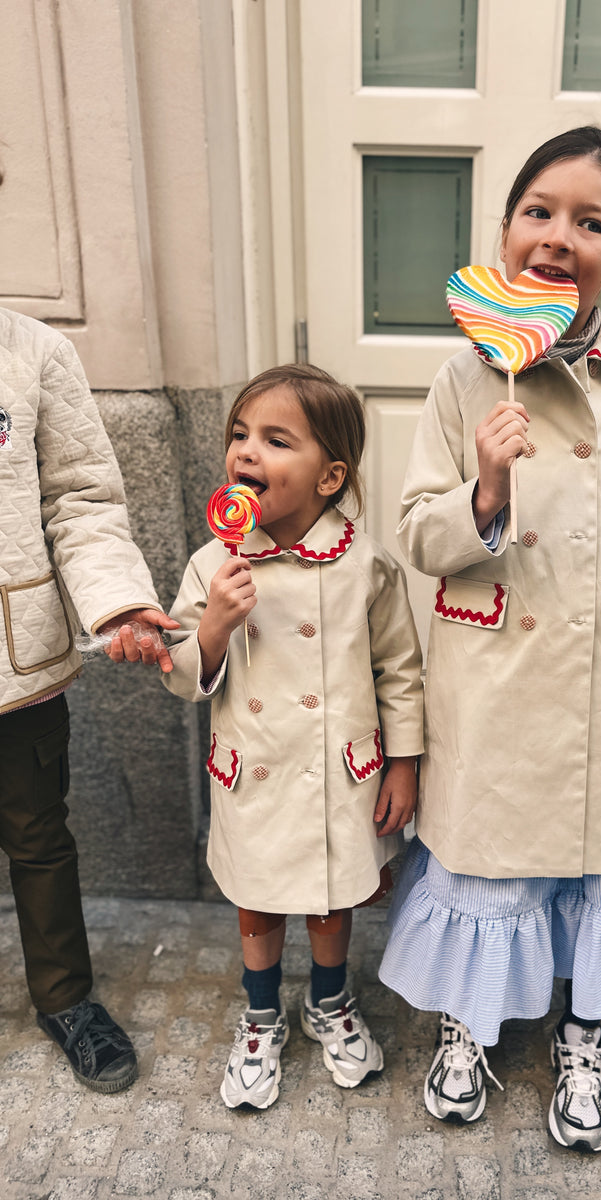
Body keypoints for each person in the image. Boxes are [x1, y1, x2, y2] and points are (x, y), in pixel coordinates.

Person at [377, 127, 601, 1152]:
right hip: (492, 675)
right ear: (506, 231)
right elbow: (414, 536)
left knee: (596, 865)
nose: (559, 236)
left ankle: (582, 1030)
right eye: (539, 212)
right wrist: (483, 486)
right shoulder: (459, 381)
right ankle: (468, 1022)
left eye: (591, 222)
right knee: (489, 863)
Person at [163, 364, 424, 1110]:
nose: (248, 452)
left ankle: (331, 999)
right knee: (259, 894)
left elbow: (399, 670)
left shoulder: (364, 563)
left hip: (342, 774)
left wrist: (403, 764)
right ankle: (260, 1012)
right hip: (256, 773)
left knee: (332, 894)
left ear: (328, 475)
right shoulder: (212, 564)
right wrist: (212, 627)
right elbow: (181, 673)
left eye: (277, 440)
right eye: (240, 435)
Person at [0, 305, 178, 1093]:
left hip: (16, 666)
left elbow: (81, 500)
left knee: (38, 836)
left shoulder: (36, 351)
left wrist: (116, 603)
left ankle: (66, 999)